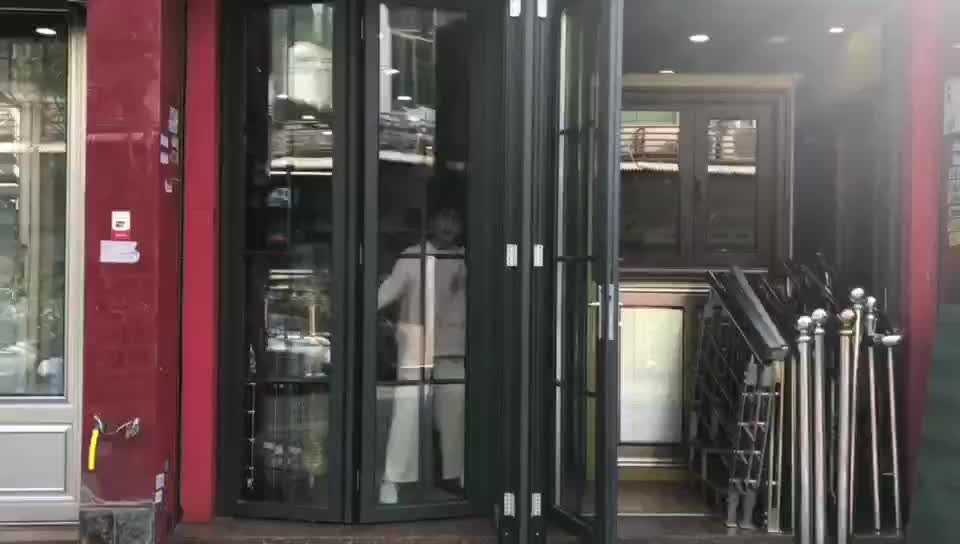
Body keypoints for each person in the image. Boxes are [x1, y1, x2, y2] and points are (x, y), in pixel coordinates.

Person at [377, 208, 466, 504]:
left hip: (454, 348)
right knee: (407, 413)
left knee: (455, 414)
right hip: (417, 347)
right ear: (431, 223)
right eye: (443, 219)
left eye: (454, 220)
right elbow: (386, 293)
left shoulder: (467, 260)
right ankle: (392, 479)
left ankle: (457, 476)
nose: (448, 225)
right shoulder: (412, 256)